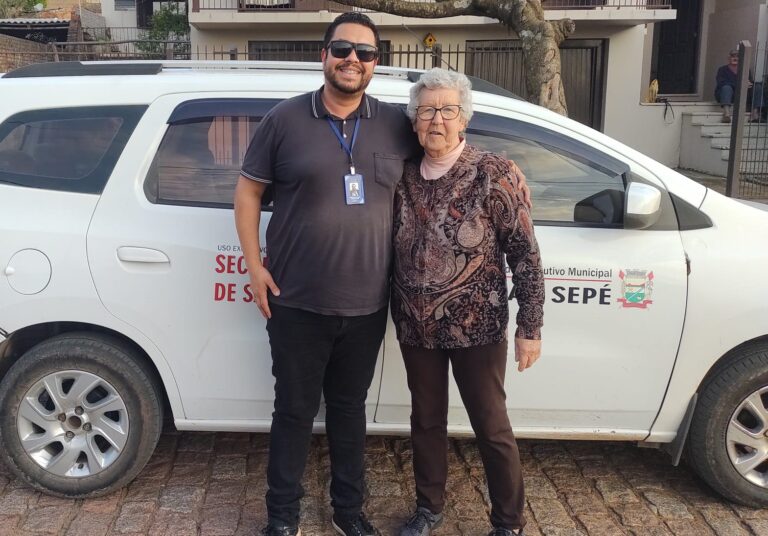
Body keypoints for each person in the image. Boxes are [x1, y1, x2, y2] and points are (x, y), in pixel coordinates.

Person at [234, 12, 418, 536]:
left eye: (364, 53)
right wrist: (254, 266)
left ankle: (348, 513)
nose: (352, 60)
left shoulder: (395, 125)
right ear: (324, 55)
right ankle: (282, 518)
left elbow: (437, 164)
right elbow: (247, 192)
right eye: (342, 49)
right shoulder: (284, 120)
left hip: (367, 304)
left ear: (376, 64)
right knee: (292, 412)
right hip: (295, 301)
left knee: (348, 412)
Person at [391, 68, 545, 536]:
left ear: (464, 120)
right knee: (426, 421)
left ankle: (508, 521)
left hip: (476, 327)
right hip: (416, 328)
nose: (436, 119)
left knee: (491, 426)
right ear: (415, 121)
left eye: (447, 110)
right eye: (426, 110)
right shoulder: (402, 176)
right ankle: (428, 508)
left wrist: (530, 326)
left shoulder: (494, 173)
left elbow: (525, 253)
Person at [715, 49, 761, 123]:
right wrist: (740, 84)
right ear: (729, 58)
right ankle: (726, 114)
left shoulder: (745, 69)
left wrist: (749, 84)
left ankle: (754, 113)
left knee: (757, 87)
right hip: (727, 95)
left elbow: (749, 82)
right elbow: (721, 83)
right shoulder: (722, 69)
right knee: (726, 87)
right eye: (733, 56)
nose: (735, 58)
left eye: (738, 56)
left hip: (741, 95)